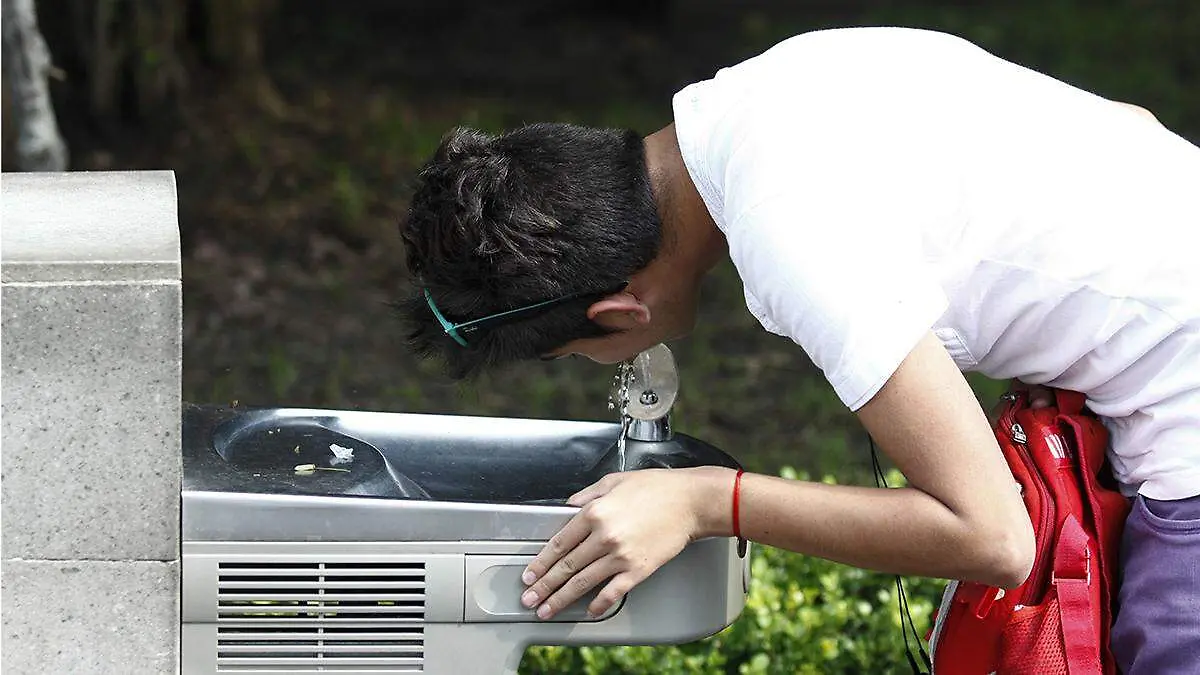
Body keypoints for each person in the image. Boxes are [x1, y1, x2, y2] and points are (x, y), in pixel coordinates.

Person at [396, 27, 1199, 673]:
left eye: (573, 354)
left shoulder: (792, 236)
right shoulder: (764, 89)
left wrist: (707, 502)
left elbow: (991, 536)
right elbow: (1128, 126)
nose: (588, 364)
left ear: (618, 311)